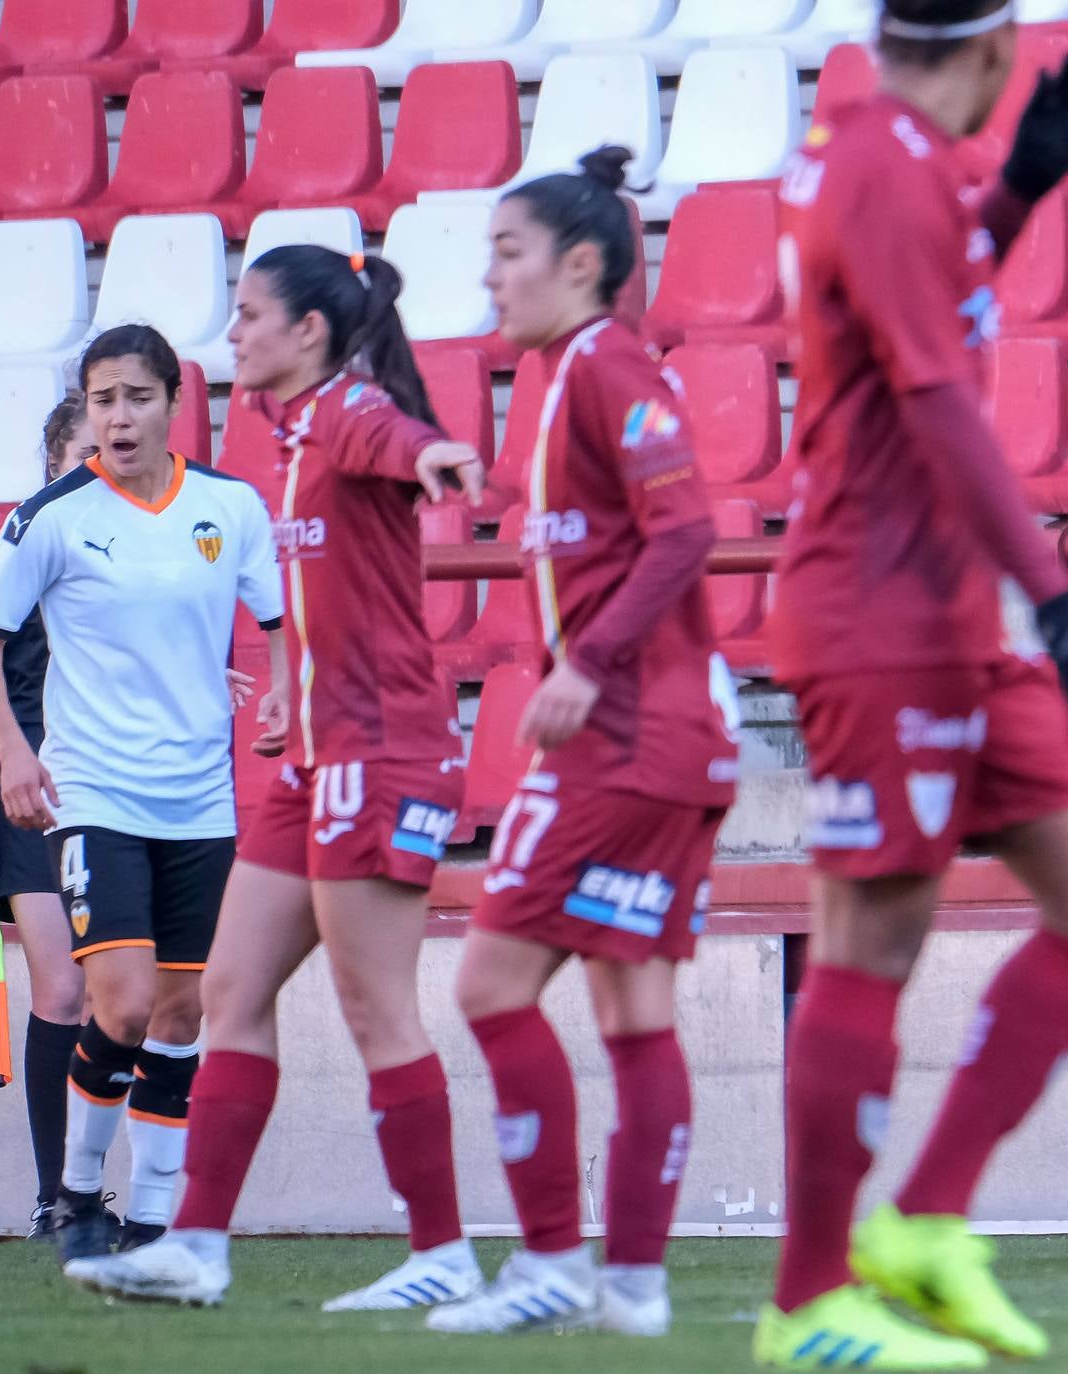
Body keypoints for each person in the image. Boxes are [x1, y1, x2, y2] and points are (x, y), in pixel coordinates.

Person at [754, 3, 1068, 1368]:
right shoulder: (877, 164)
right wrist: (1057, 604)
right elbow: (933, 400)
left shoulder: (895, 160)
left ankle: (920, 1221)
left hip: (945, 616)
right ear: (991, 52)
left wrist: (1022, 190)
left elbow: (930, 299)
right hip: (877, 611)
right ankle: (805, 1305)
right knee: (870, 944)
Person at [59, 247, 488, 1311]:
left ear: (308, 333)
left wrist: (435, 457)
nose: (233, 332)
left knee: (374, 1006)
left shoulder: (346, 414)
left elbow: (400, 439)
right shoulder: (284, 436)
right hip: (312, 754)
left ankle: (442, 1250)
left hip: (383, 747)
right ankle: (197, 1242)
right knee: (226, 994)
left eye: (250, 315)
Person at [420, 147, 739, 1339]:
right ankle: (635, 1286)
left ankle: (553, 1264)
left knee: (492, 986)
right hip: (657, 743)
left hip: (627, 739)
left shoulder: (607, 365)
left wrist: (586, 664)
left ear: (583, 264)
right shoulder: (562, 373)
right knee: (633, 1009)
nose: (491, 276)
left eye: (509, 252)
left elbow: (687, 529)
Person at [0, 326, 287, 1261]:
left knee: (184, 1013)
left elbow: (280, 619)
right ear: (86, 409)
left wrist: (284, 693)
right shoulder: (48, 518)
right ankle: (71, 1193)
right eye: (103, 399)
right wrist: (12, 759)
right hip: (91, 791)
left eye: (136, 396)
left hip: (201, 800)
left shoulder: (229, 507)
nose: (119, 415)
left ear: (172, 403)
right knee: (119, 1002)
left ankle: (149, 1216)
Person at [0, 395, 101, 1239]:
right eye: (82, 451)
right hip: (29, 798)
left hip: (118, 793)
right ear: (51, 461)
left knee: (142, 1000)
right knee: (65, 988)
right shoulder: (9, 548)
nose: (99, 463)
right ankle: (57, 1197)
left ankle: (111, 1185)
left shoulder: (141, 547)